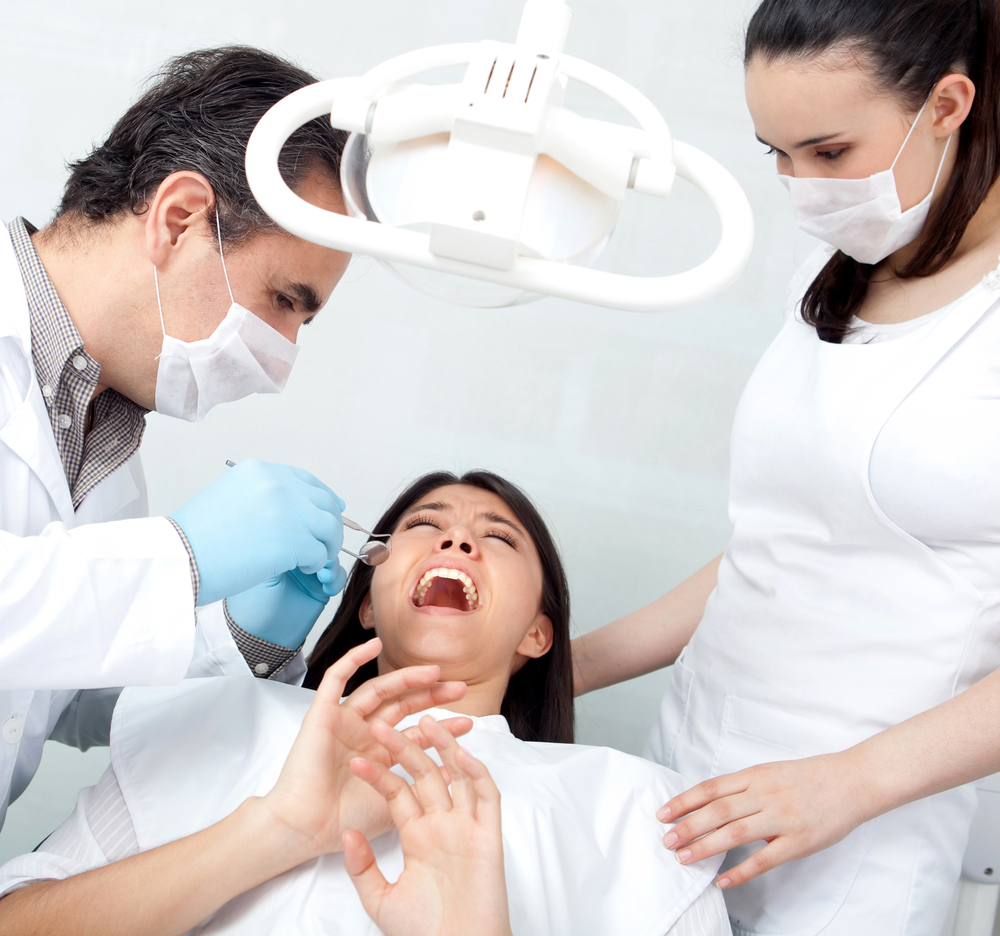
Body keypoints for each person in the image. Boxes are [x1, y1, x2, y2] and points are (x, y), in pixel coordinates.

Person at [571, 0, 1000, 932]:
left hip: (866, 834)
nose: (801, 185)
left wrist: (850, 785)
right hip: (693, 773)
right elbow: (778, 546)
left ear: (948, 103)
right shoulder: (844, 260)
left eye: (829, 151)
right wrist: (565, 668)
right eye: (778, 152)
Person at [0, 470, 730, 935]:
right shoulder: (220, 719)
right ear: (370, 603)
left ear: (539, 634)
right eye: (423, 525)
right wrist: (275, 831)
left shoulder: (639, 814)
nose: (457, 539)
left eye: (498, 537)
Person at [0, 46, 358, 831]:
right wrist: (182, 560)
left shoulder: (104, 442)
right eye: (282, 299)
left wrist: (238, 639)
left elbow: (64, 698)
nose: (282, 361)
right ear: (179, 218)